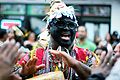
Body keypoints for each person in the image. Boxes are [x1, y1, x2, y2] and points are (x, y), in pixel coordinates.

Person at [18, 0, 98, 80]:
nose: (66, 28)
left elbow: (99, 76)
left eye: (71, 25)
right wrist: (22, 74)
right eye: (60, 24)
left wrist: (76, 65)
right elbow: (10, 75)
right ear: (49, 28)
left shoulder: (87, 56)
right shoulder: (34, 56)